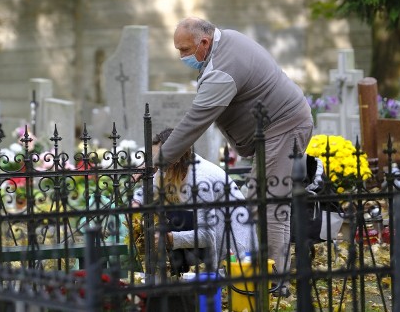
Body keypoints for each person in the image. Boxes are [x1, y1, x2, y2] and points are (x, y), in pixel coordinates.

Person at [157, 17, 313, 295]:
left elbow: (195, 123)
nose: (181, 56)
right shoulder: (225, 40)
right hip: (277, 128)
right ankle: (263, 274)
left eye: (184, 50)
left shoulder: (223, 68)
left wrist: (157, 162)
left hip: (283, 127)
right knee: (262, 201)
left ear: (203, 43)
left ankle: (273, 283)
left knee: (268, 205)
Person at [133, 128, 256, 274]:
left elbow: (207, 235)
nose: (154, 165)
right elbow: (148, 190)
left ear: (175, 157)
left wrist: (169, 238)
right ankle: (178, 276)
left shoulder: (200, 180)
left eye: (158, 159)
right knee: (171, 217)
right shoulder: (173, 167)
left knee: (172, 221)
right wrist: (135, 202)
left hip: (232, 248)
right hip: (206, 233)